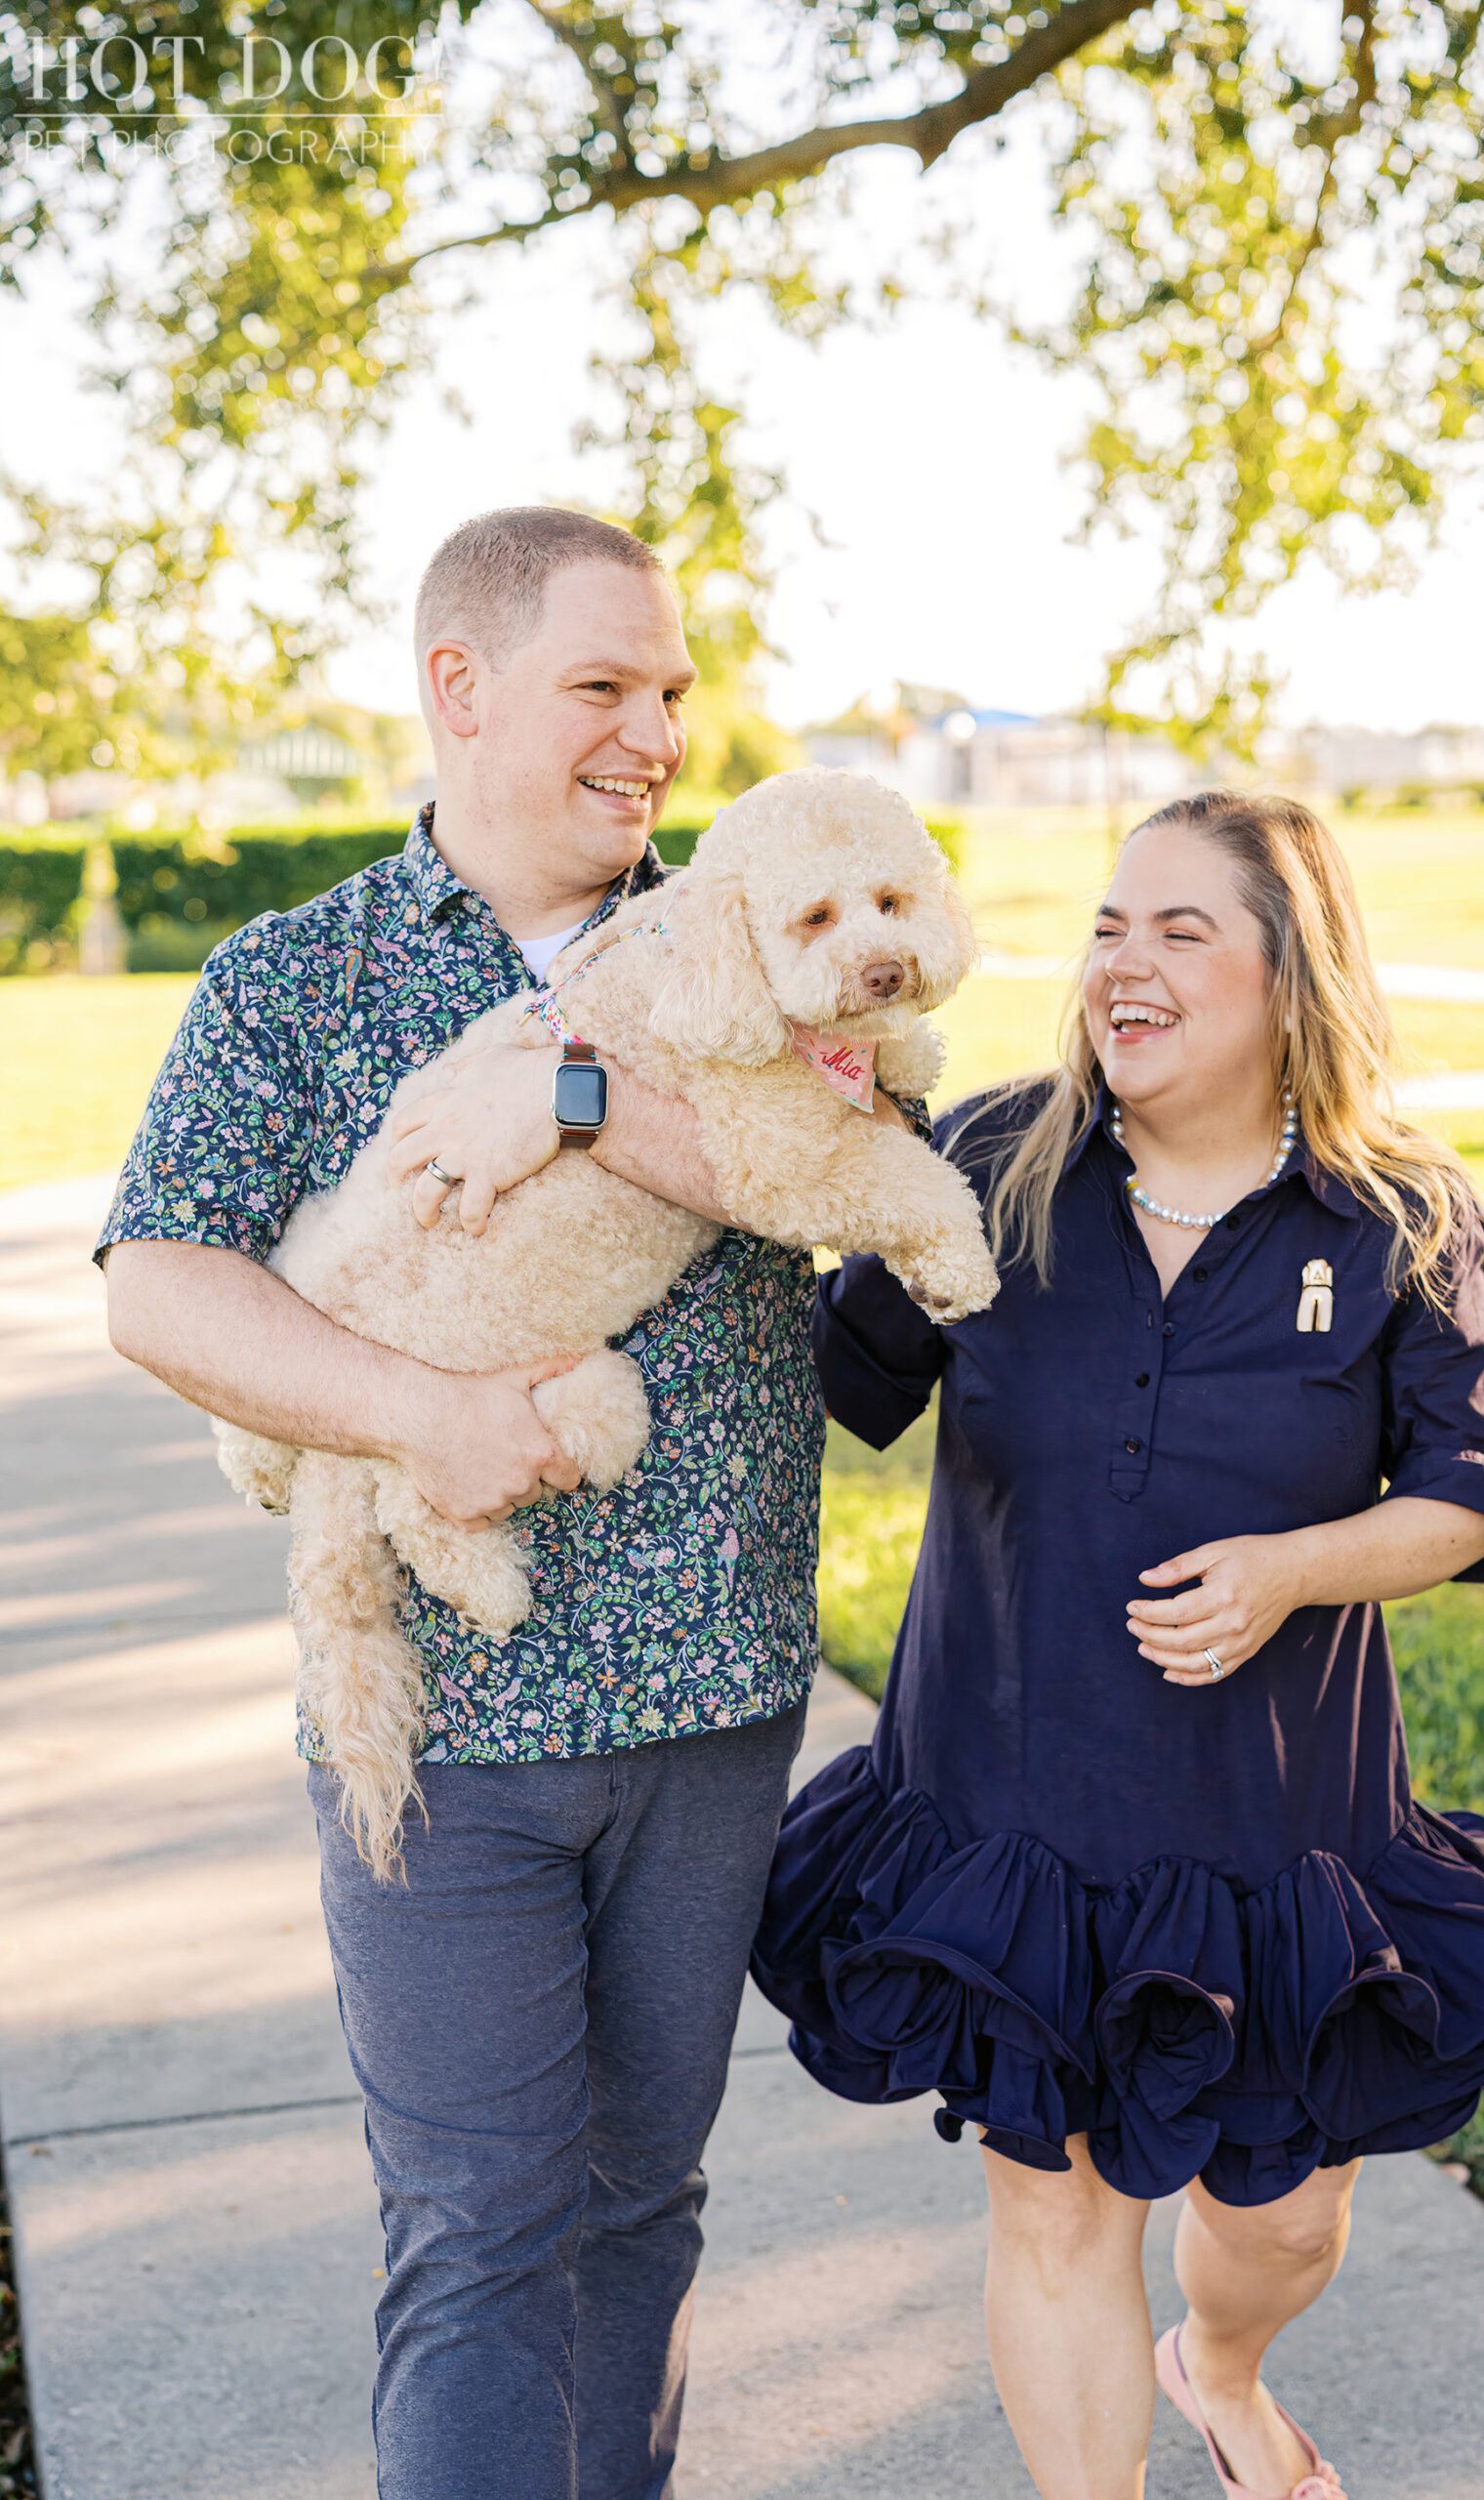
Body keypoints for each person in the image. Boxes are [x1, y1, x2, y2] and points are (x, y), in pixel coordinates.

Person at [100, 506, 914, 2500]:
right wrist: (418, 1414)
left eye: (671, 691)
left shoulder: (766, 944)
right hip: (443, 1735)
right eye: (603, 686)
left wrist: (569, 1094)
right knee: (476, 2236)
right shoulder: (294, 979)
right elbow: (155, 1274)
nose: (653, 733)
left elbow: (857, 1174)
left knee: (642, 2210)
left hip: (716, 1709)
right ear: (459, 687)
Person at [752, 790, 1484, 2500]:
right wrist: (839, 1166)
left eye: (1184, 932)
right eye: (1114, 926)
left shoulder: (1395, 1216)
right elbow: (845, 1382)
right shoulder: (992, 1162)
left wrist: (1292, 1567)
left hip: (1276, 1834)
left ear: (1291, 976)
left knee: (1280, 2212)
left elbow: (1477, 1495)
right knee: (1056, 2209)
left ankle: (1226, 2369)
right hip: (1017, 1811)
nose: (1128, 962)